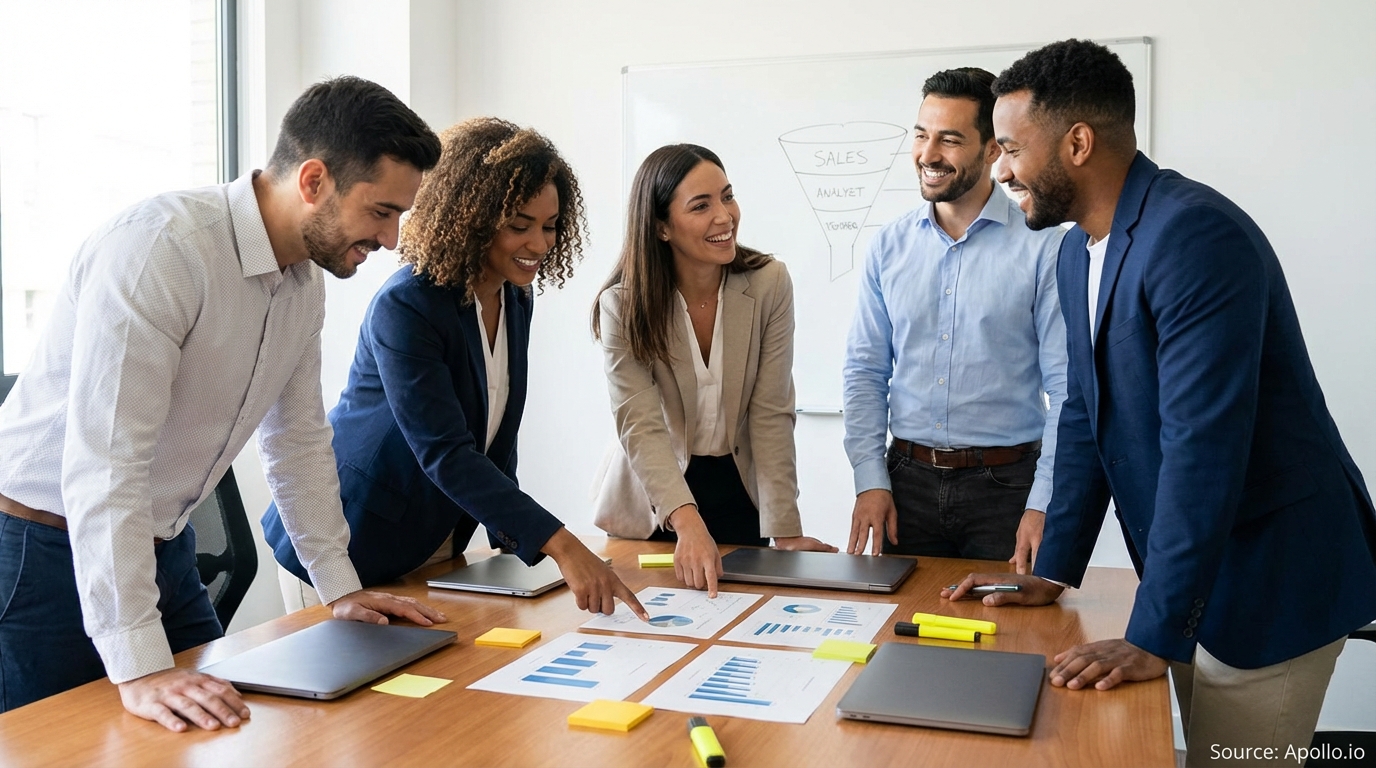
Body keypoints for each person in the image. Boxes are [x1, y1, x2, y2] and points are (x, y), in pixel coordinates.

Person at [945, 39, 1376, 765]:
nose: (1000, 167)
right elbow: (1083, 413)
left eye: (1013, 147)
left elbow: (1202, 451)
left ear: (1077, 143)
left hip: (1272, 578)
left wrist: (1153, 631)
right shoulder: (1075, 249)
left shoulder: (1194, 236)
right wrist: (1053, 569)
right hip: (1196, 576)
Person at [0, 76, 448, 731]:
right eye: (381, 211)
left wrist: (341, 590)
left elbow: (296, 441)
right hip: (43, 550)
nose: (390, 239)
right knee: (52, 746)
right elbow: (107, 462)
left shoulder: (303, 285)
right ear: (315, 180)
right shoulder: (162, 250)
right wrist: (142, 666)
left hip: (161, 544)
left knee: (220, 730)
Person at [264, 118, 647, 621]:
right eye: (519, 225)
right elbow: (447, 452)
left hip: (437, 539)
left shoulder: (516, 297)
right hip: (349, 544)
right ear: (473, 217)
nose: (539, 243)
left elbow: (496, 440)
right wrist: (561, 546)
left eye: (550, 226)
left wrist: (516, 550)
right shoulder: (408, 305)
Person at [843, 68, 1066, 571]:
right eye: (921, 135)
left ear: (992, 150)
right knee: (896, 639)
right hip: (904, 485)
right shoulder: (888, 246)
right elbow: (865, 372)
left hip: (1007, 490)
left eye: (949, 139)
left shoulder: (1045, 248)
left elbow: (1067, 389)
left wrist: (1043, 502)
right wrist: (870, 480)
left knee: (1007, 643)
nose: (928, 154)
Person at [590, 143, 836, 598]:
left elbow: (771, 412)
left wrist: (785, 529)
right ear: (661, 227)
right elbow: (640, 424)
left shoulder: (768, 284)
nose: (724, 216)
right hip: (652, 500)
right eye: (701, 206)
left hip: (738, 490)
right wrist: (686, 520)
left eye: (727, 196)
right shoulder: (623, 305)